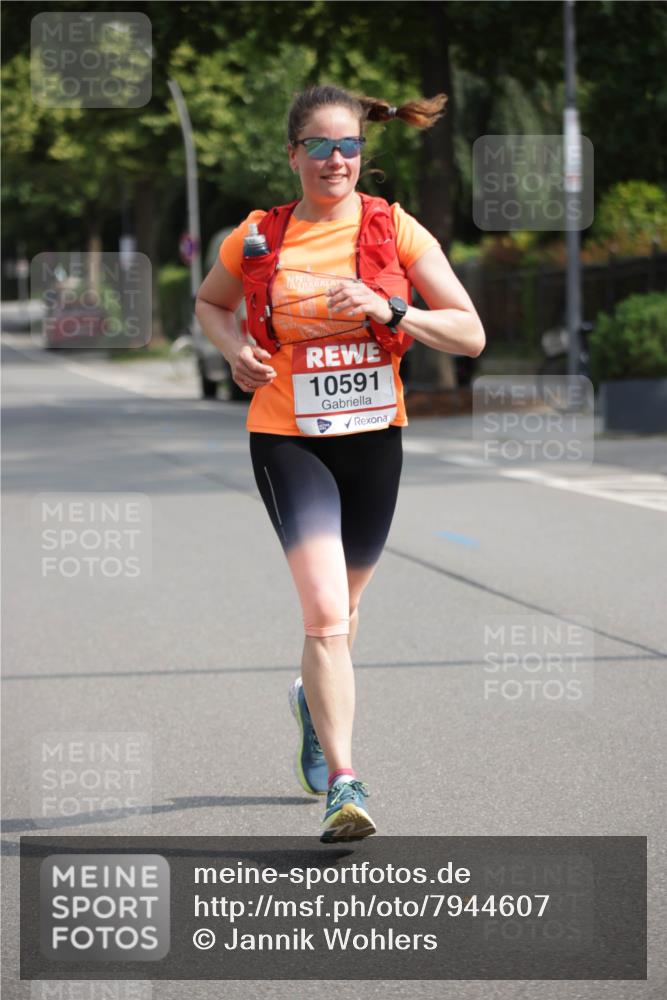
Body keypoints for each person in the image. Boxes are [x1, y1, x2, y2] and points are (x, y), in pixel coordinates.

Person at [195, 84, 485, 843]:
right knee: (324, 614)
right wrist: (236, 353)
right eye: (319, 146)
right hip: (288, 436)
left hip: (371, 437)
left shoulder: (395, 229)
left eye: (348, 146)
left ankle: (308, 703)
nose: (335, 160)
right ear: (292, 154)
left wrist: (392, 310)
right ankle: (344, 782)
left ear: (364, 153)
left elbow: (468, 334)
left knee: (345, 615)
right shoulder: (257, 237)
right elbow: (211, 305)